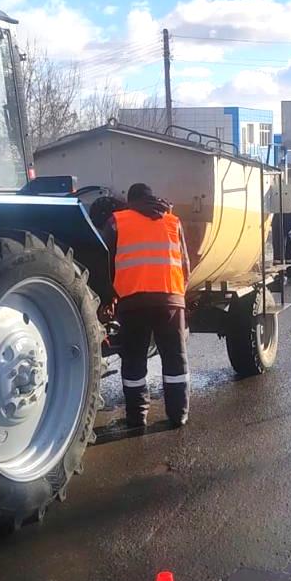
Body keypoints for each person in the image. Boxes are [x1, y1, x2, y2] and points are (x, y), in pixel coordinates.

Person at [102, 182, 191, 429]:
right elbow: (185, 264)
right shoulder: (173, 221)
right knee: (175, 359)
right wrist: (178, 296)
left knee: (134, 361)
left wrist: (110, 298)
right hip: (170, 301)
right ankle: (178, 414)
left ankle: (137, 416)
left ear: (130, 201)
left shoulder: (116, 221)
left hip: (132, 302)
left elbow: (105, 261)